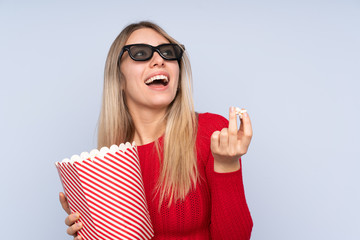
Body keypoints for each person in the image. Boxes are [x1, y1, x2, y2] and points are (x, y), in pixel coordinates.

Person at [59, 21, 253, 240]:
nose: (159, 60)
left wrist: (228, 166)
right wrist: (93, 233)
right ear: (119, 79)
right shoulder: (105, 169)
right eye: (140, 53)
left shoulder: (211, 132)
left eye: (168, 53)